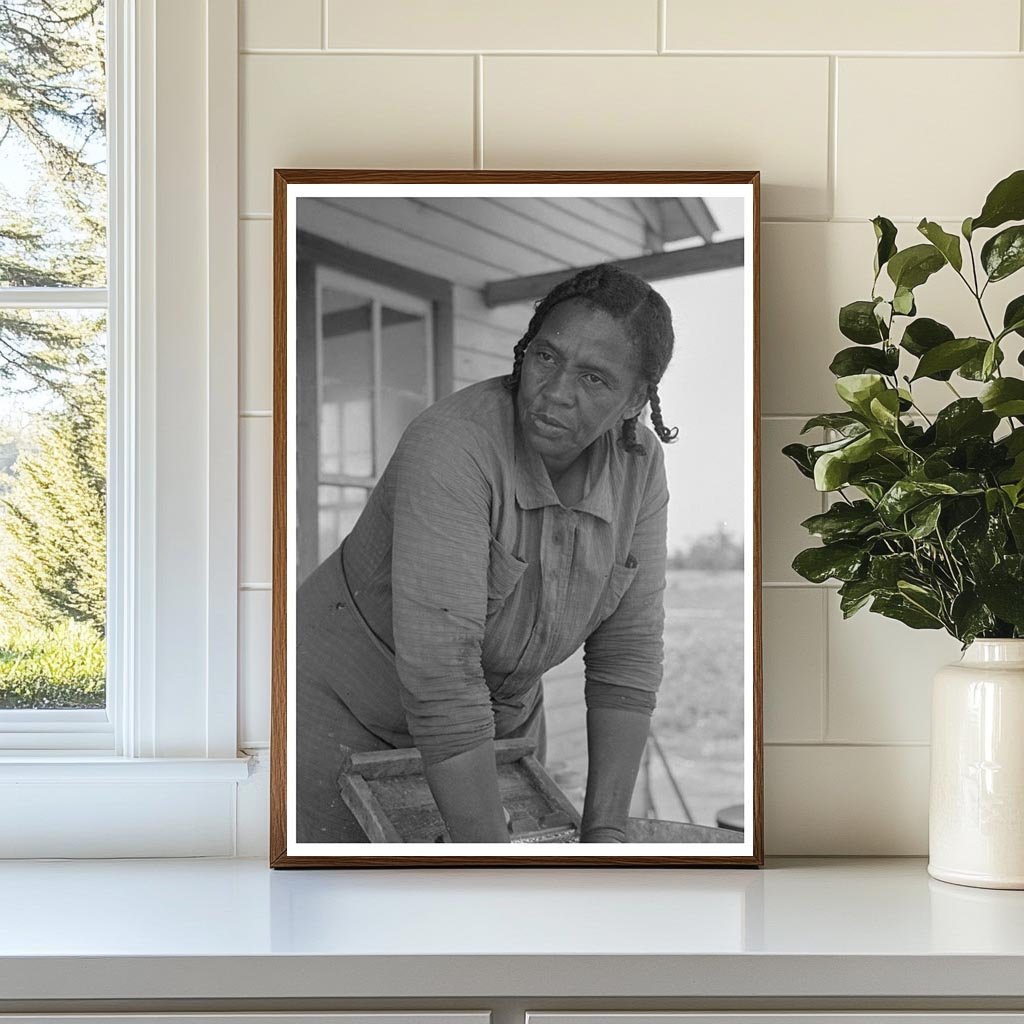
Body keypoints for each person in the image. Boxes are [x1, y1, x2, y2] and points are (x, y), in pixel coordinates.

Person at [296, 262, 677, 843]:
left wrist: (606, 838)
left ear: (635, 401)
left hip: (501, 724)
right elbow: (442, 676)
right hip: (343, 710)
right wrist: (492, 865)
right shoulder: (452, 446)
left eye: (595, 379)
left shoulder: (640, 467)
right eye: (546, 357)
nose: (555, 393)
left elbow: (626, 658)